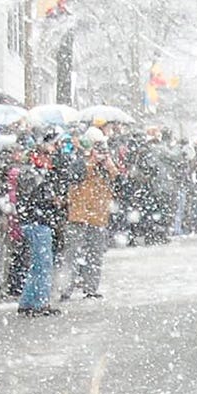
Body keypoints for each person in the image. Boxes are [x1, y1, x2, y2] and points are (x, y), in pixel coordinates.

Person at [61, 128, 118, 299]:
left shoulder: (106, 166)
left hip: (99, 217)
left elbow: (120, 183)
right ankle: (66, 289)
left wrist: (109, 166)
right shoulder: (78, 162)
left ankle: (91, 288)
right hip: (79, 216)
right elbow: (75, 178)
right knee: (73, 254)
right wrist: (92, 162)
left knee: (95, 254)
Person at [15, 134, 64, 317]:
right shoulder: (31, 174)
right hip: (37, 223)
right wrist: (53, 201)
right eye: (47, 155)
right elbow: (33, 199)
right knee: (43, 265)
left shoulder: (37, 173)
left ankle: (28, 301)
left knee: (37, 264)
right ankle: (40, 302)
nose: (49, 159)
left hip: (37, 222)